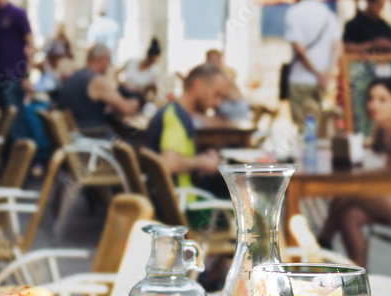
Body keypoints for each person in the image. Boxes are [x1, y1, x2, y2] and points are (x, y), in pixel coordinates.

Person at [317, 76, 391, 266]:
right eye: (371, 98)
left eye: (382, 100)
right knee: (349, 215)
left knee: (349, 190)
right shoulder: (381, 129)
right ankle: (359, 278)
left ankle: (323, 240)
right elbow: (371, 153)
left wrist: (364, 174)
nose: (373, 104)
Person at [145, 64, 230, 193]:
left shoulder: (177, 112)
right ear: (198, 85)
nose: (218, 103)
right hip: (183, 203)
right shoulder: (174, 116)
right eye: (216, 94)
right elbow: (169, 162)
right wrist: (203, 162)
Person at [284, 0, 341, 127]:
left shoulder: (294, 12)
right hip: (322, 82)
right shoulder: (329, 15)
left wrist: (317, 73)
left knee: (301, 129)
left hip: (300, 79)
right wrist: (327, 73)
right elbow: (337, 46)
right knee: (319, 128)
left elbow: (299, 49)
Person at [60, 44, 140, 136]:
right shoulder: (96, 80)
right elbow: (126, 109)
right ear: (102, 59)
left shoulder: (76, 75)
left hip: (73, 132)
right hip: (89, 136)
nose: (109, 65)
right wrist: (137, 101)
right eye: (109, 60)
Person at [204, 48, 249, 121]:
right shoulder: (218, 73)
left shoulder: (220, 75)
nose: (209, 62)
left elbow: (212, 98)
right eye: (209, 60)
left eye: (214, 60)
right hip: (234, 106)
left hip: (234, 106)